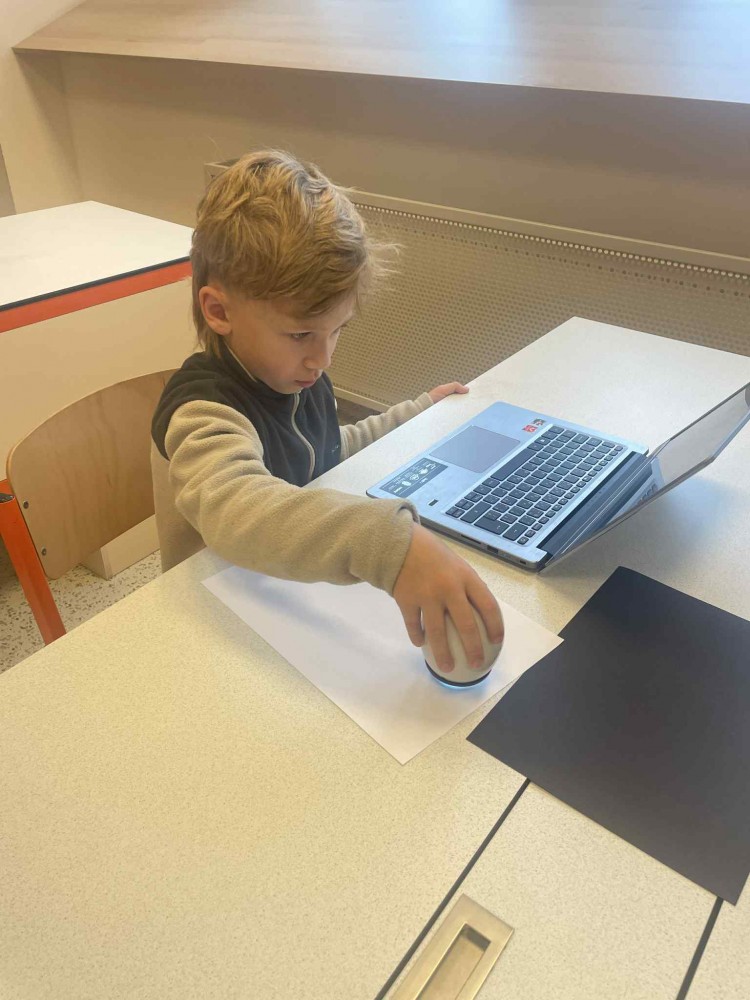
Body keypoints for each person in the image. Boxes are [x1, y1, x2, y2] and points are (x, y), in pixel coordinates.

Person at [151, 149, 504, 675]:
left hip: (285, 597)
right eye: (300, 335)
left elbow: (330, 449)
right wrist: (388, 544)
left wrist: (415, 415)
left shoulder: (293, 374)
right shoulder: (201, 411)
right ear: (219, 311)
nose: (323, 358)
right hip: (216, 626)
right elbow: (237, 510)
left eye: (337, 330)